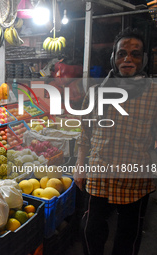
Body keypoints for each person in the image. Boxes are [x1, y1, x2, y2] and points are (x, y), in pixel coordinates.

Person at [74, 27, 156, 255]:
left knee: (128, 236)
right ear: (113, 58)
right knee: (90, 231)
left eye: (135, 54)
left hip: (136, 179)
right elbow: (85, 133)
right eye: (122, 53)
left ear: (144, 59)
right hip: (99, 174)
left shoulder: (154, 94)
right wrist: (80, 166)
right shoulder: (96, 92)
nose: (128, 58)